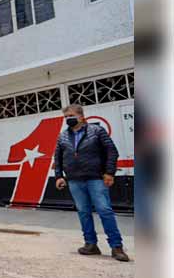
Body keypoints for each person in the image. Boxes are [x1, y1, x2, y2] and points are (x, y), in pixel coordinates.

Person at [54, 104, 130, 262]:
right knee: (83, 212)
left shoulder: (96, 131)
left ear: (81, 116)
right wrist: (59, 176)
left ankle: (116, 247)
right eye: (66, 117)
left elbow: (111, 151)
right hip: (74, 180)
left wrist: (109, 172)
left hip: (95, 178)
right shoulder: (62, 136)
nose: (68, 119)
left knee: (104, 211)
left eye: (71, 115)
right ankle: (91, 245)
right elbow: (58, 158)